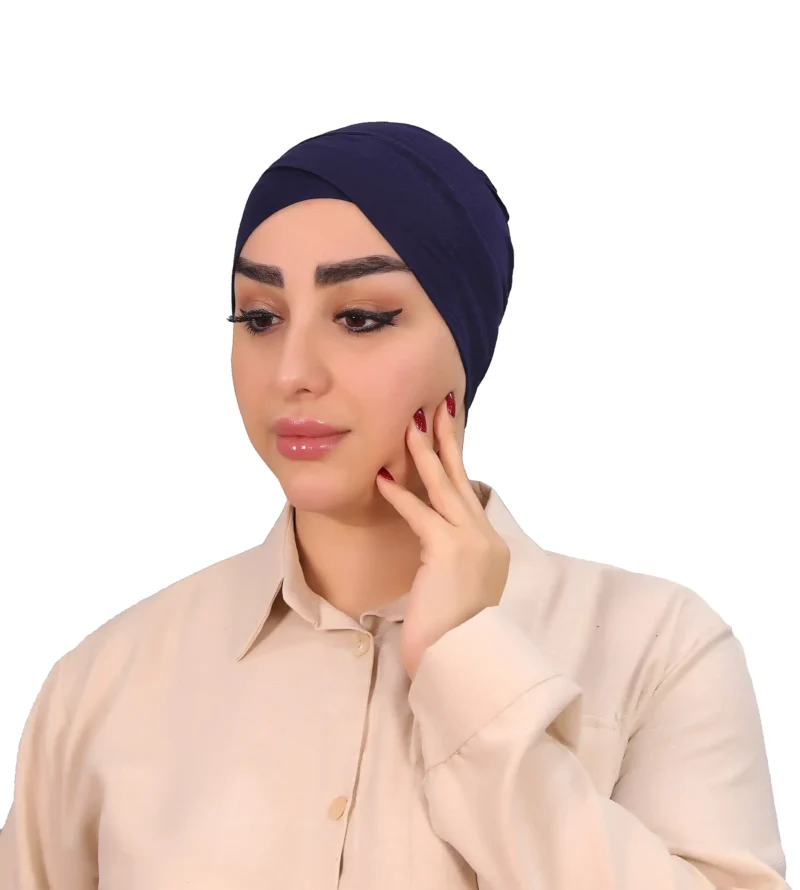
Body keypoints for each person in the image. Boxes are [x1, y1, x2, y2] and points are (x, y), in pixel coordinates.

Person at [0, 121, 788, 889]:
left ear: (466, 344)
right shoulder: (102, 684)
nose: (292, 372)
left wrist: (470, 665)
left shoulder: (659, 650)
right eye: (260, 318)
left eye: (361, 318)